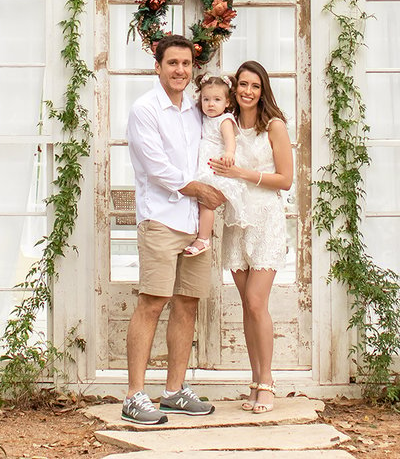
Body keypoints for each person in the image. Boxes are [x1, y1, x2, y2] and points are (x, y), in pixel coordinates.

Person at [121, 34, 225, 427]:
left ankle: (174, 393)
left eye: (186, 64)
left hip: (195, 224)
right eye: (173, 64)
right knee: (152, 301)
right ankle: (134, 396)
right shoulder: (145, 109)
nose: (180, 70)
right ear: (158, 66)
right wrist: (200, 189)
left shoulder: (198, 111)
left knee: (187, 304)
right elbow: (156, 168)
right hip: (161, 220)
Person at [209, 59, 292, 415]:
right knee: (247, 306)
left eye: (254, 86)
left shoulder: (274, 126)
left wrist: (243, 173)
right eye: (242, 84)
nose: (247, 91)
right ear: (234, 88)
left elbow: (285, 180)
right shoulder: (224, 125)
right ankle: (255, 380)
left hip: (266, 220)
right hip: (236, 221)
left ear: (263, 91)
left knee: (257, 302)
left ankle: (268, 382)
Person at [182, 74, 249, 257]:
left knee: (206, 203)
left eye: (217, 100)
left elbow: (230, 140)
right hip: (202, 166)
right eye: (206, 99)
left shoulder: (224, 120)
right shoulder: (203, 118)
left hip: (215, 167)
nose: (211, 104)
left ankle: (203, 239)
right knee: (200, 202)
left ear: (227, 102)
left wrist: (229, 153)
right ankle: (199, 233)